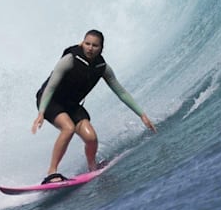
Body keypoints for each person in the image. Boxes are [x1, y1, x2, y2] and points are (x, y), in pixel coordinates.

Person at [31, 29, 156, 183]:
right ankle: (51, 173)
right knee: (68, 128)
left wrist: (141, 114)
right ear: (82, 43)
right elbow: (50, 87)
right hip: (50, 100)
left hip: (71, 105)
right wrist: (41, 113)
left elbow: (121, 92)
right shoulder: (70, 60)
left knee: (91, 138)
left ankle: (92, 166)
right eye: (87, 43)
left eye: (95, 45)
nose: (90, 48)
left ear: (101, 48)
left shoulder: (102, 67)